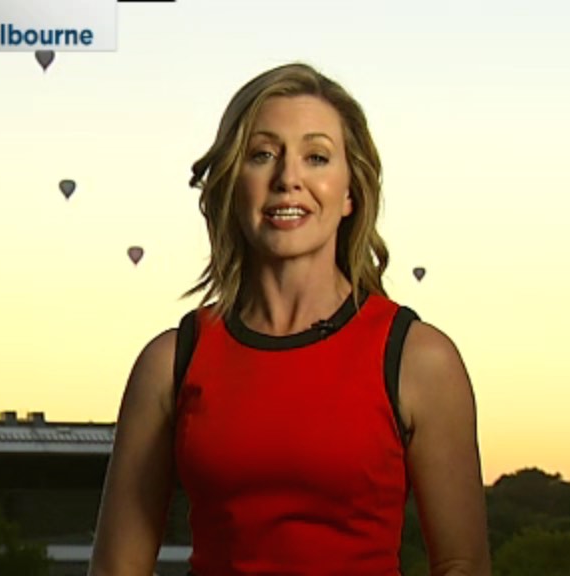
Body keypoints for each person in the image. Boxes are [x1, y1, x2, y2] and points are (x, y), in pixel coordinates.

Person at [89, 62, 491, 576]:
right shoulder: (171, 361)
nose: (288, 180)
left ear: (350, 192)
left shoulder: (420, 359)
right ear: (233, 184)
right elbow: (117, 568)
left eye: (316, 157)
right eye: (262, 155)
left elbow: (461, 564)